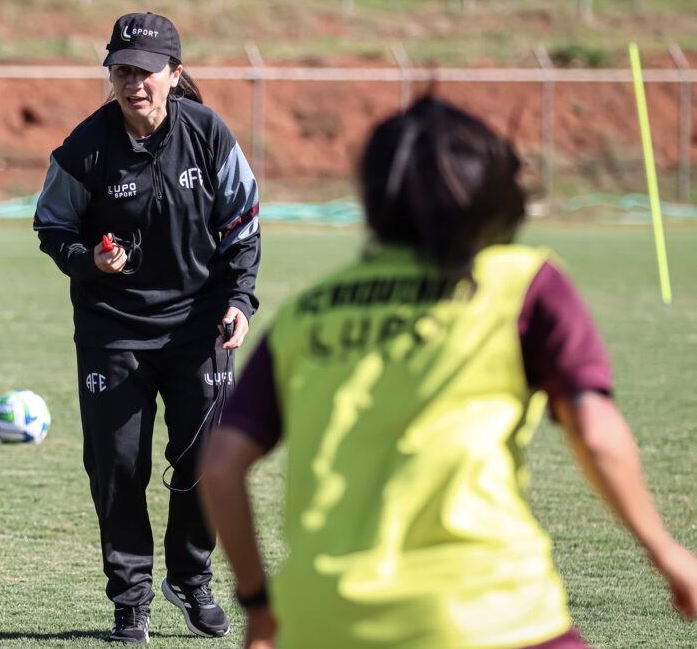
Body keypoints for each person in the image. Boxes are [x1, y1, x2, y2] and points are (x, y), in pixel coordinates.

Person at [199, 97, 697, 649]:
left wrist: (259, 603)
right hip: (485, 612)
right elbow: (596, 433)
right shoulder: (524, 285)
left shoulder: (308, 311)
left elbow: (221, 466)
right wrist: (666, 551)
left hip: (322, 619)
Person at [33, 11, 260, 644]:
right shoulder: (86, 147)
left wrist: (239, 298)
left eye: (146, 70)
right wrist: (89, 260)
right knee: (117, 468)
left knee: (208, 464)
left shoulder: (209, 134)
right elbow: (52, 225)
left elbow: (242, 221)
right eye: (122, 70)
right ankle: (130, 601)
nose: (134, 82)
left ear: (173, 74)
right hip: (114, 332)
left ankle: (190, 577)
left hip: (200, 330)